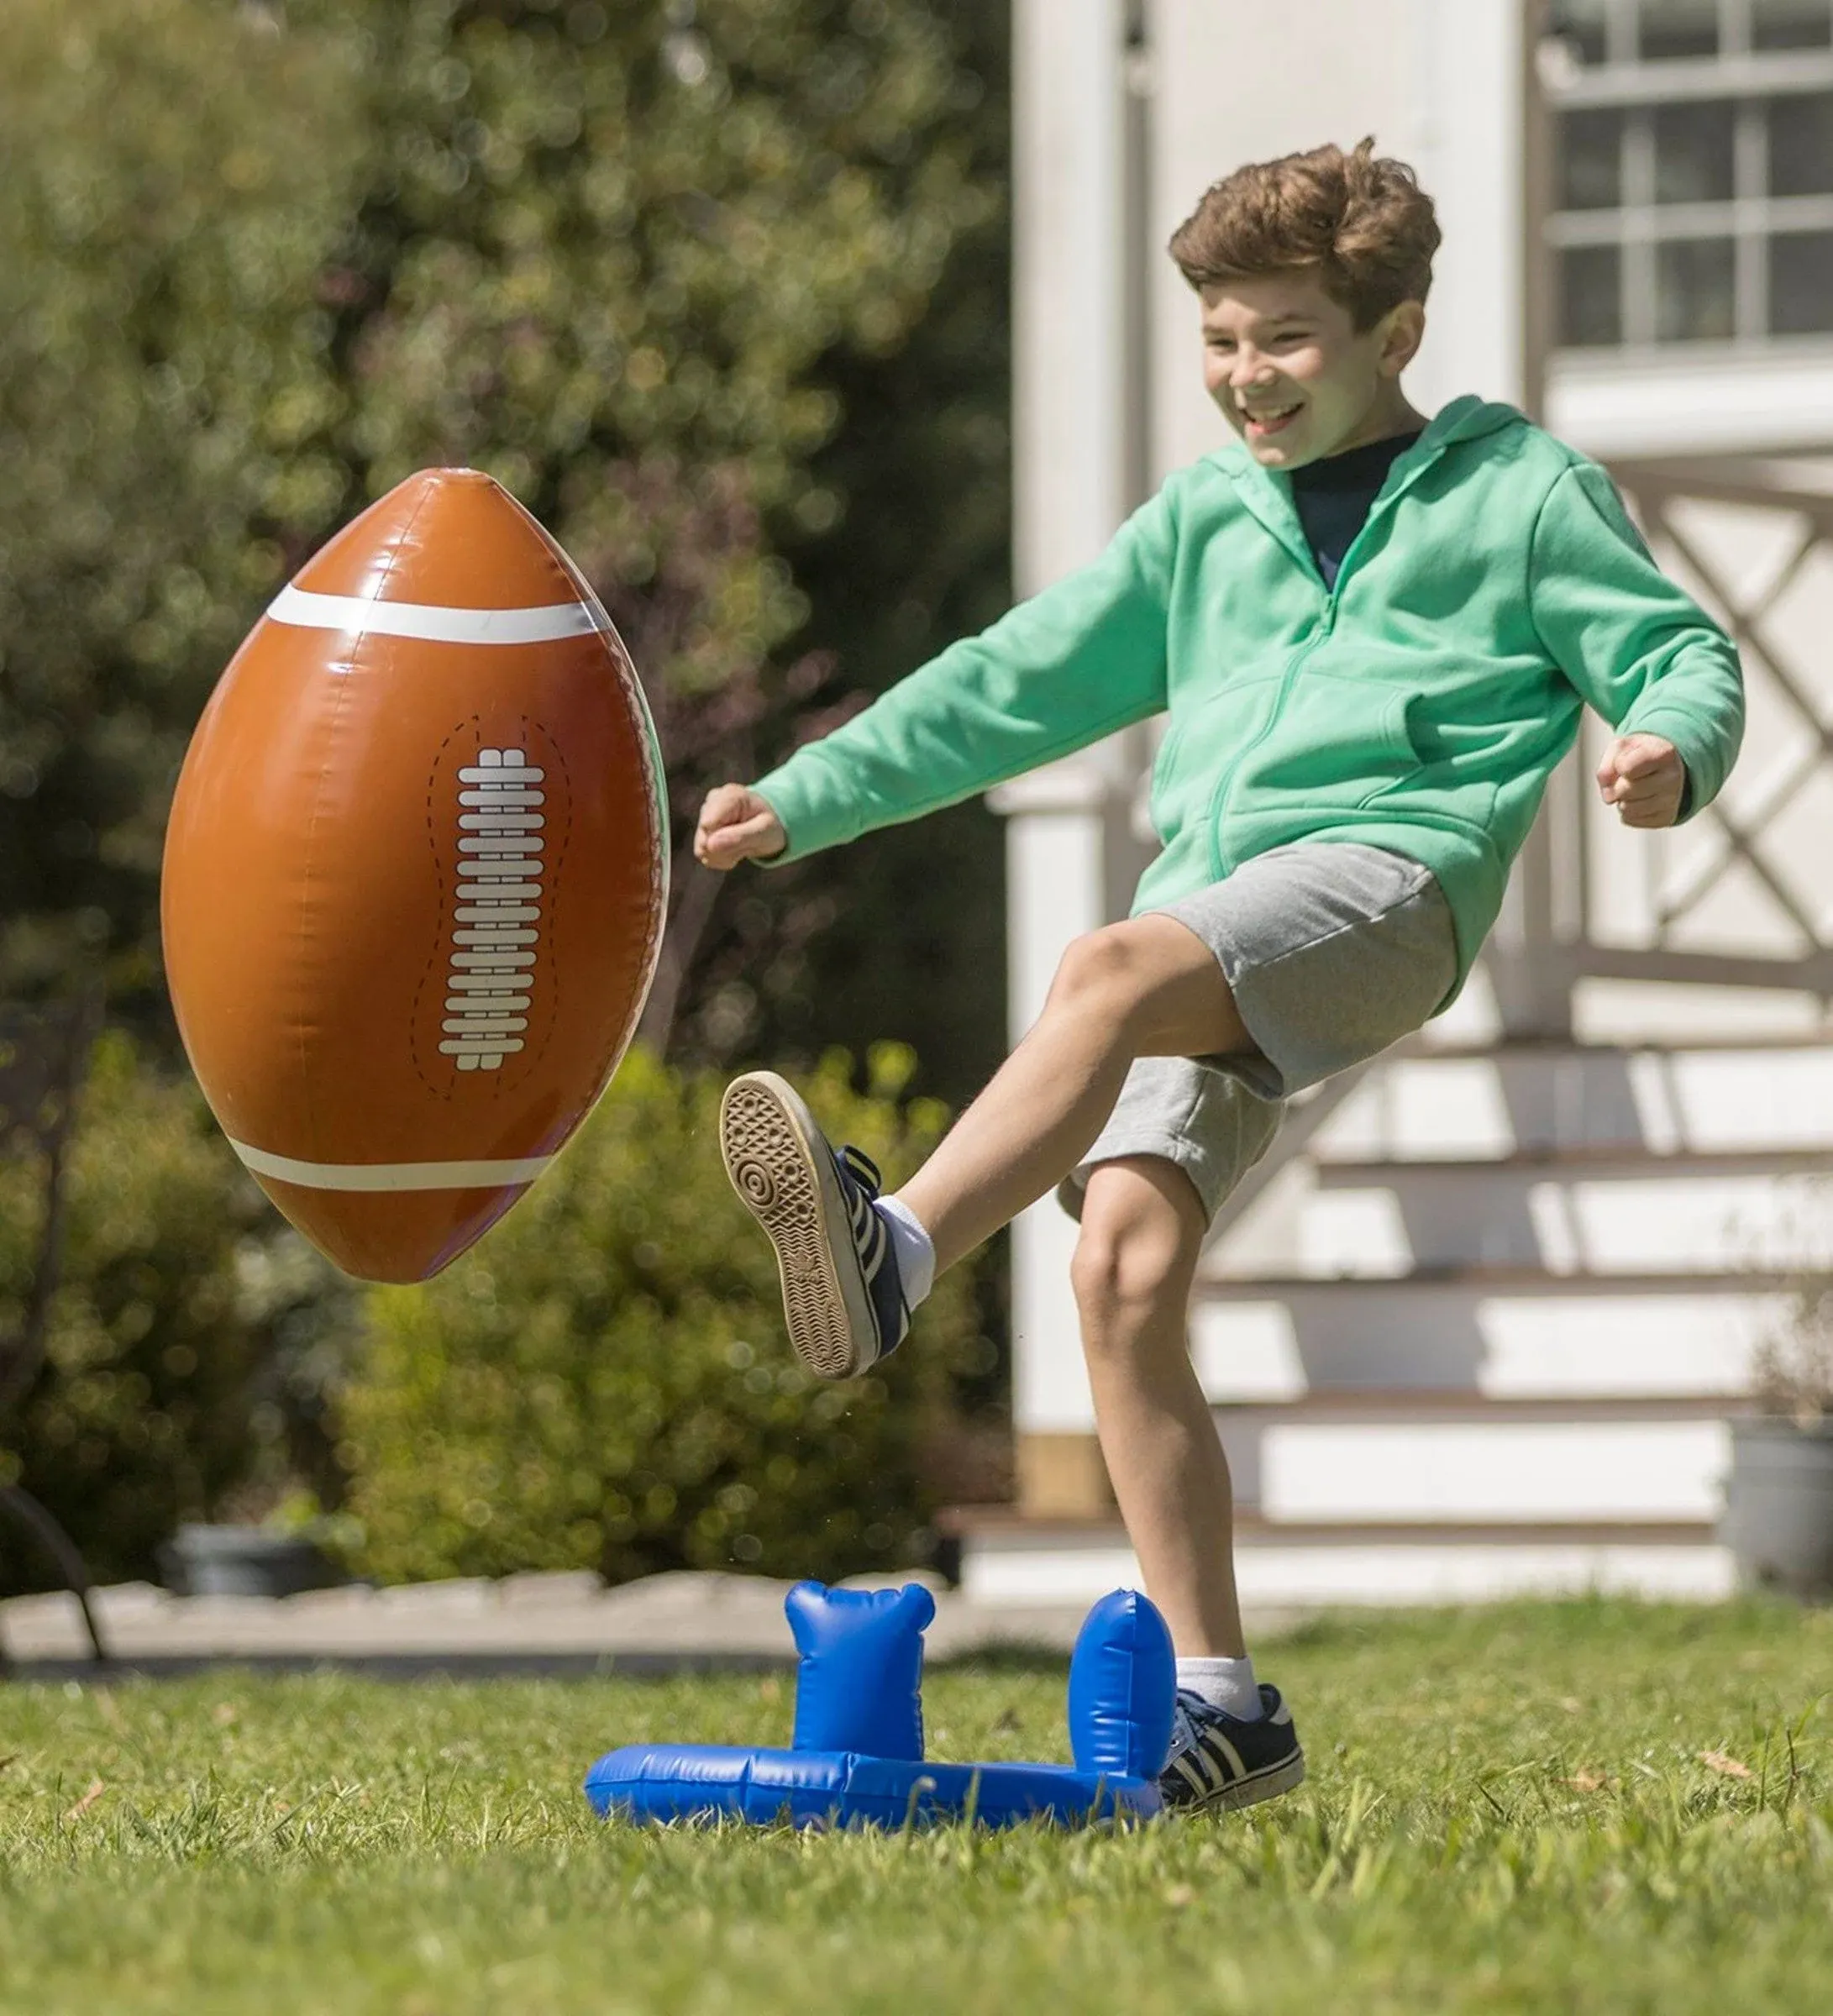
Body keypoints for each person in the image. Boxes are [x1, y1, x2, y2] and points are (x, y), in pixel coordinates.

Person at [691, 139, 1745, 1815]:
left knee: (1101, 967)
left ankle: (888, 1255)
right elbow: (1010, 682)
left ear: (1392, 331)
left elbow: (1671, 647)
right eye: (1220, 341)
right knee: (1117, 1266)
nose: (1244, 379)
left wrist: (1660, 750)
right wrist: (811, 794)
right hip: (1215, 913)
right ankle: (1225, 1707)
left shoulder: (1516, 494)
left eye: (1285, 340)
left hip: (1386, 882)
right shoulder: (1202, 526)